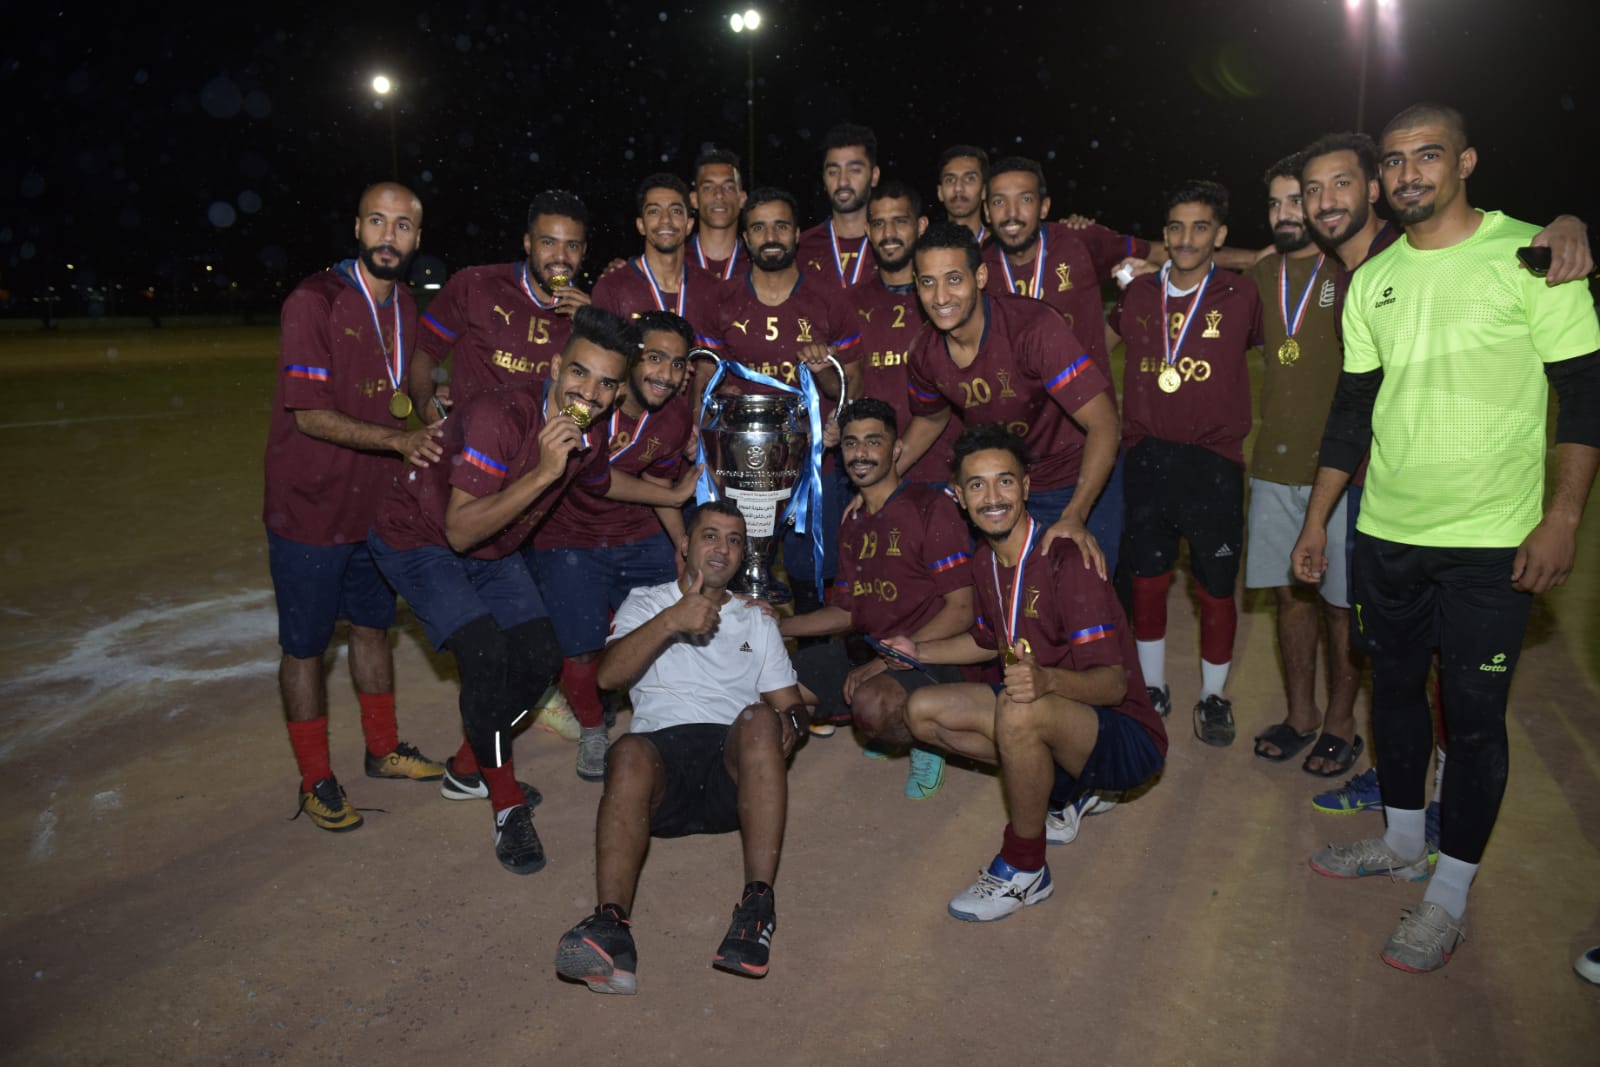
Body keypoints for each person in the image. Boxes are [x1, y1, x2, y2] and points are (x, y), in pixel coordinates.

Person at [1292, 103, 1600, 973]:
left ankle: (1450, 894)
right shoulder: (1376, 280)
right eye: (1394, 162)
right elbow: (1353, 410)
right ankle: (1400, 840)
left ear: (1465, 161)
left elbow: (1584, 398)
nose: (1408, 174)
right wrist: (1318, 518)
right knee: (1393, 693)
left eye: (1427, 156)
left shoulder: (1532, 255)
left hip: (1492, 543)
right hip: (1387, 531)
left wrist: (1563, 517)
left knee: (1472, 718)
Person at [369, 307, 693, 873]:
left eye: (605, 384)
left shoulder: (591, 434)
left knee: (543, 657)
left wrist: (671, 498)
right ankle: (506, 805)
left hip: (493, 547)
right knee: (486, 656)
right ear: (555, 367)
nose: (589, 393)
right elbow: (459, 530)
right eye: (579, 373)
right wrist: (545, 471)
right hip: (421, 539)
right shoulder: (501, 416)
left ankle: (468, 765)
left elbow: (601, 481)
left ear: (619, 393)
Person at [885, 425, 1166, 921]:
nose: (993, 497)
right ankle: (1065, 794)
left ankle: (1025, 867)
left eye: (1005, 481)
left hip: (1125, 737)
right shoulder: (984, 561)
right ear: (959, 497)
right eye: (977, 485)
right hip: (1052, 714)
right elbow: (983, 641)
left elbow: (1114, 684)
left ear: (1027, 487)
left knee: (1018, 708)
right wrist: (918, 650)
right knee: (922, 710)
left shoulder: (1066, 560)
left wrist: (1047, 680)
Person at [553, 500, 806, 994]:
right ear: (686, 545)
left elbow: (793, 705)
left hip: (732, 775)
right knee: (626, 750)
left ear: (743, 555)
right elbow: (607, 677)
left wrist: (790, 724)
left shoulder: (756, 620)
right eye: (711, 536)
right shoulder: (647, 602)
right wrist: (672, 619)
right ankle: (611, 929)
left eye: (734, 540)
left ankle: (756, 910)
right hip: (659, 772)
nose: (723, 549)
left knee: (760, 717)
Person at [263, 181, 445, 832]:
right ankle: (316, 777)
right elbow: (310, 415)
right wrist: (400, 439)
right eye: (377, 221)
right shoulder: (314, 301)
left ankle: (383, 748)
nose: (389, 236)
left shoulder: (407, 306)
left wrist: (433, 409)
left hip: (374, 506)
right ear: (358, 228)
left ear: (417, 238)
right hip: (309, 509)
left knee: (373, 627)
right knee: (306, 647)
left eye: (403, 225)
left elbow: (404, 389)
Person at [1108, 180, 1261, 745]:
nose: (1187, 238)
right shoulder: (1139, 294)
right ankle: (1152, 686)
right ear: (1164, 234)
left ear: (1220, 235)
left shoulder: (1242, 295)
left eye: (1201, 227)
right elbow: (1097, 349)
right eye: (1176, 227)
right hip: (1146, 457)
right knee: (1147, 580)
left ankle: (1214, 695)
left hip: (1213, 463)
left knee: (1215, 587)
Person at [529, 311, 700, 781]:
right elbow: (599, 482)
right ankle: (592, 729)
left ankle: (670, 719)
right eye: (655, 358)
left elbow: (657, 482)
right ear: (629, 361)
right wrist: (674, 497)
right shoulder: (591, 403)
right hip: (568, 535)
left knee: (671, 627)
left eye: (678, 364)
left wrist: (681, 542)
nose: (666, 374)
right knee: (581, 647)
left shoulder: (675, 416)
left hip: (636, 532)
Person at [780, 399, 974, 797]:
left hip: (930, 653)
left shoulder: (930, 507)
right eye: (851, 443)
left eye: (873, 441)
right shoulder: (852, 520)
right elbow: (847, 611)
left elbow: (962, 610)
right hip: (869, 649)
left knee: (872, 704)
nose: (861, 453)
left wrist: (884, 662)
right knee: (776, 686)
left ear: (897, 449)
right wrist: (779, 625)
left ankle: (926, 738)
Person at [901, 222, 1118, 572]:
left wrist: (1075, 515)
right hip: (1003, 489)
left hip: (1074, 479)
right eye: (928, 282)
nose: (940, 297)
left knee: (1084, 591)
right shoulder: (925, 351)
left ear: (980, 276)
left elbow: (1104, 424)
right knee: (1008, 597)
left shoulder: (1033, 328)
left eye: (954, 279)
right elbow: (931, 416)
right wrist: (885, 477)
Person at [1241, 155, 1362, 770]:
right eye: (1276, 203)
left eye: (1298, 199)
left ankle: (1341, 720)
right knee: (1292, 597)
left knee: (1341, 605)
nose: (1286, 214)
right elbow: (1206, 258)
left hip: (1345, 472)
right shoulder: (1263, 274)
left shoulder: (1352, 268)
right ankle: (1301, 715)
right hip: (1274, 468)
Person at [698, 187, 861, 617]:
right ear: (745, 238)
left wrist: (825, 374)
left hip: (811, 471)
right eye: (759, 228)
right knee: (734, 584)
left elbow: (850, 385)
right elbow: (702, 383)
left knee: (814, 586)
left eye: (781, 226)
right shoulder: (721, 299)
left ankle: (809, 657)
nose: (770, 237)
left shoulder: (829, 299)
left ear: (796, 234)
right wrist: (709, 416)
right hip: (740, 472)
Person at [412, 189, 593, 415]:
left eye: (572, 245)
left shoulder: (589, 315)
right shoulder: (475, 285)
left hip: (540, 438)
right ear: (528, 243)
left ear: (584, 250)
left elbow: (594, 398)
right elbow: (426, 348)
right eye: (548, 242)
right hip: (470, 436)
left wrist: (593, 329)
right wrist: (425, 405)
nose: (561, 257)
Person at [981, 156, 1156, 379]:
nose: (1012, 213)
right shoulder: (977, 267)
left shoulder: (1078, 240)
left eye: (1025, 199)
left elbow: (1164, 252)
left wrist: (1160, 272)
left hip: (1090, 401)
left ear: (1044, 207)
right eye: (999, 202)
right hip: (1016, 400)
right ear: (987, 211)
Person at [850, 179, 962, 483]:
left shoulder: (948, 301)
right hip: (872, 476)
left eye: (900, 222)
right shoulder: (849, 302)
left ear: (921, 225)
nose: (889, 234)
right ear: (867, 230)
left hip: (948, 475)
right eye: (879, 224)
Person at [592, 174, 721, 331]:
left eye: (675, 211)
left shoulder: (713, 289)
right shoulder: (612, 289)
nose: (665, 219)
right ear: (641, 225)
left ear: (689, 225)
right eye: (654, 211)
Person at [796, 123, 879, 289]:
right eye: (833, 172)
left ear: (874, 176)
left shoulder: (892, 244)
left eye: (854, 170)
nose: (842, 182)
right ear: (824, 179)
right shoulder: (801, 249)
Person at [687, 148, 748, 281]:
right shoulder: (676, 261)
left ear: (742, 199)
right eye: (708, 188)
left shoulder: (757, 264)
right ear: (694, 199)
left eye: (728, 187)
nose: (719, 194)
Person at [936, 144, 990, 243]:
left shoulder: (1002, 248)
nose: (958, 188)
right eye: (950, 180)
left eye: (969, 179)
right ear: (940, 192)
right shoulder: (926, 249)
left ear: (984, 190)